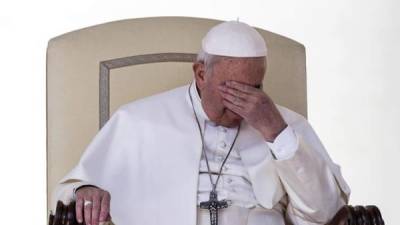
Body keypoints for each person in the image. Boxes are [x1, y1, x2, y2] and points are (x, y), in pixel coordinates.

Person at [52, 20, 351, 225]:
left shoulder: (284, 123)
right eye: (231, 89)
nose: (243, 103)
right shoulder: (138, 120)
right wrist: (84, 191)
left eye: (254, 89)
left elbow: (326, 214)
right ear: (201, 74)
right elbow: (76, 187)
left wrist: (276, 132)